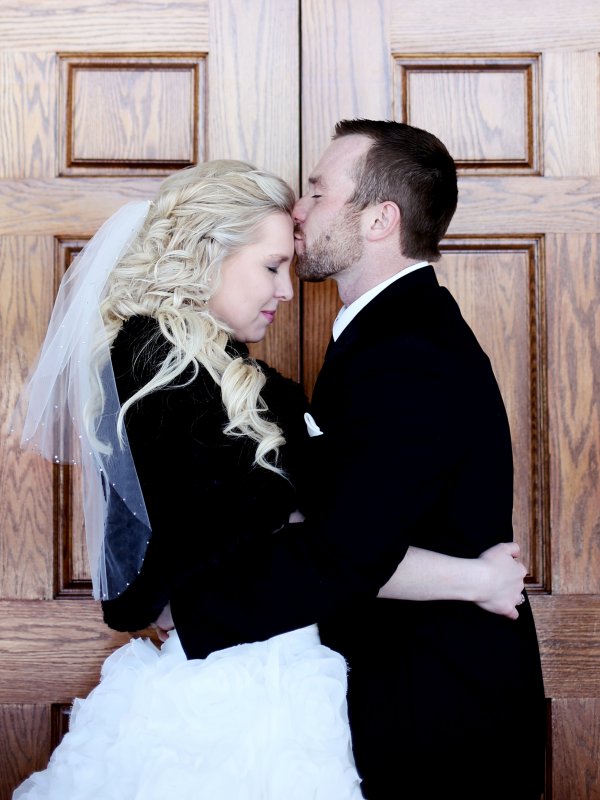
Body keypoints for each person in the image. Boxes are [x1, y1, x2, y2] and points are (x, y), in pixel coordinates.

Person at [13, 158, 528, 800]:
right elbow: (250, 541)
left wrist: (303, 519)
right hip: (224, 683)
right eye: (270, 266)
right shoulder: (151, 363)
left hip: (281, 671)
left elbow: (328, 526)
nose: (287, 288)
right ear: (207, 254)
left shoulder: (251, 381)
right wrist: (472, 578)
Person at [152, 125, 547, 800]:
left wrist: (182, 609)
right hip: (404, 702)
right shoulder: (385, 336)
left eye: (317, 191)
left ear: (378, 220)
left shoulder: (410, 352)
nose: (299, 209)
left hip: (438, 718)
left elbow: (343, 550)